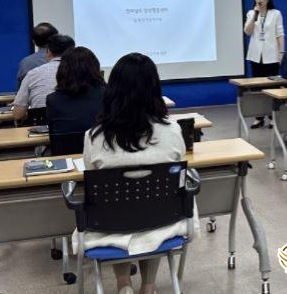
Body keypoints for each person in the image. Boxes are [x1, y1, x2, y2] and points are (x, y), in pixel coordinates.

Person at [82, 53, 198, 294]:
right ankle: (148, 286)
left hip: (109, 224)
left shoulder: (94, 136)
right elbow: (179, 171)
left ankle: (123, 284)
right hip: (164, 220)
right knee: (153, 208)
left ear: (112, 90)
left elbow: (92, 182)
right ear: (155, 89)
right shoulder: (172, 131)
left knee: (120, 208)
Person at [243, 0, 284, 129]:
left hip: (272, 55)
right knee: (258, 88)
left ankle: (273, 116)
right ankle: (259, 117)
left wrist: (281, 53)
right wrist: (255, 15)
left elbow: (280, 34)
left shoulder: (276, 13)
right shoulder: (251, 13)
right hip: (255, 56)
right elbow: (247, 32)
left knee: (273, 87)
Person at [12, 34, 75, 121]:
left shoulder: (33, 74)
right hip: (77, 127)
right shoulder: (83, 73)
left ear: (48, 52)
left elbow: (18, 115)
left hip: (41, 126)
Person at [46, 47, 105, 136]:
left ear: (63, 70)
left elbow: (52, 132)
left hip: (66, 145)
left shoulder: (52, 100)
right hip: (98, 145)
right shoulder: (107, 94)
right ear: (95, 68)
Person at [17, 22, 58, 86]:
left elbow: (21, 87)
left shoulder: (26, 62)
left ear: (33, 41)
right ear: (56, 39)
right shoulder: (66, 60)